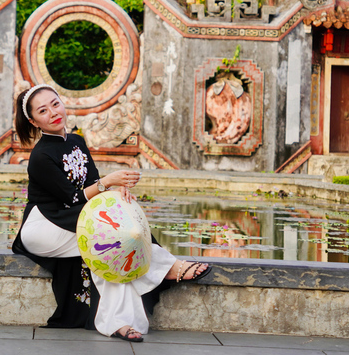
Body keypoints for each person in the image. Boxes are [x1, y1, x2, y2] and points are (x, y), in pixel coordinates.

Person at [12, 83, 210, 342]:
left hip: (73, 218)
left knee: (111, 244)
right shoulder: (40, 156)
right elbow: (73, 197)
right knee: (107, 240)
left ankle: (119, 322)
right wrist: (110, 181)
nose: (52, 112)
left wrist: (118, 196)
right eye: (42, 110)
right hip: (45, 226)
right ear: (33, 120)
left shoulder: (77, 141)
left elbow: (94, 186)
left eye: (55, 104)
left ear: (62, 103)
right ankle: (169, 268)